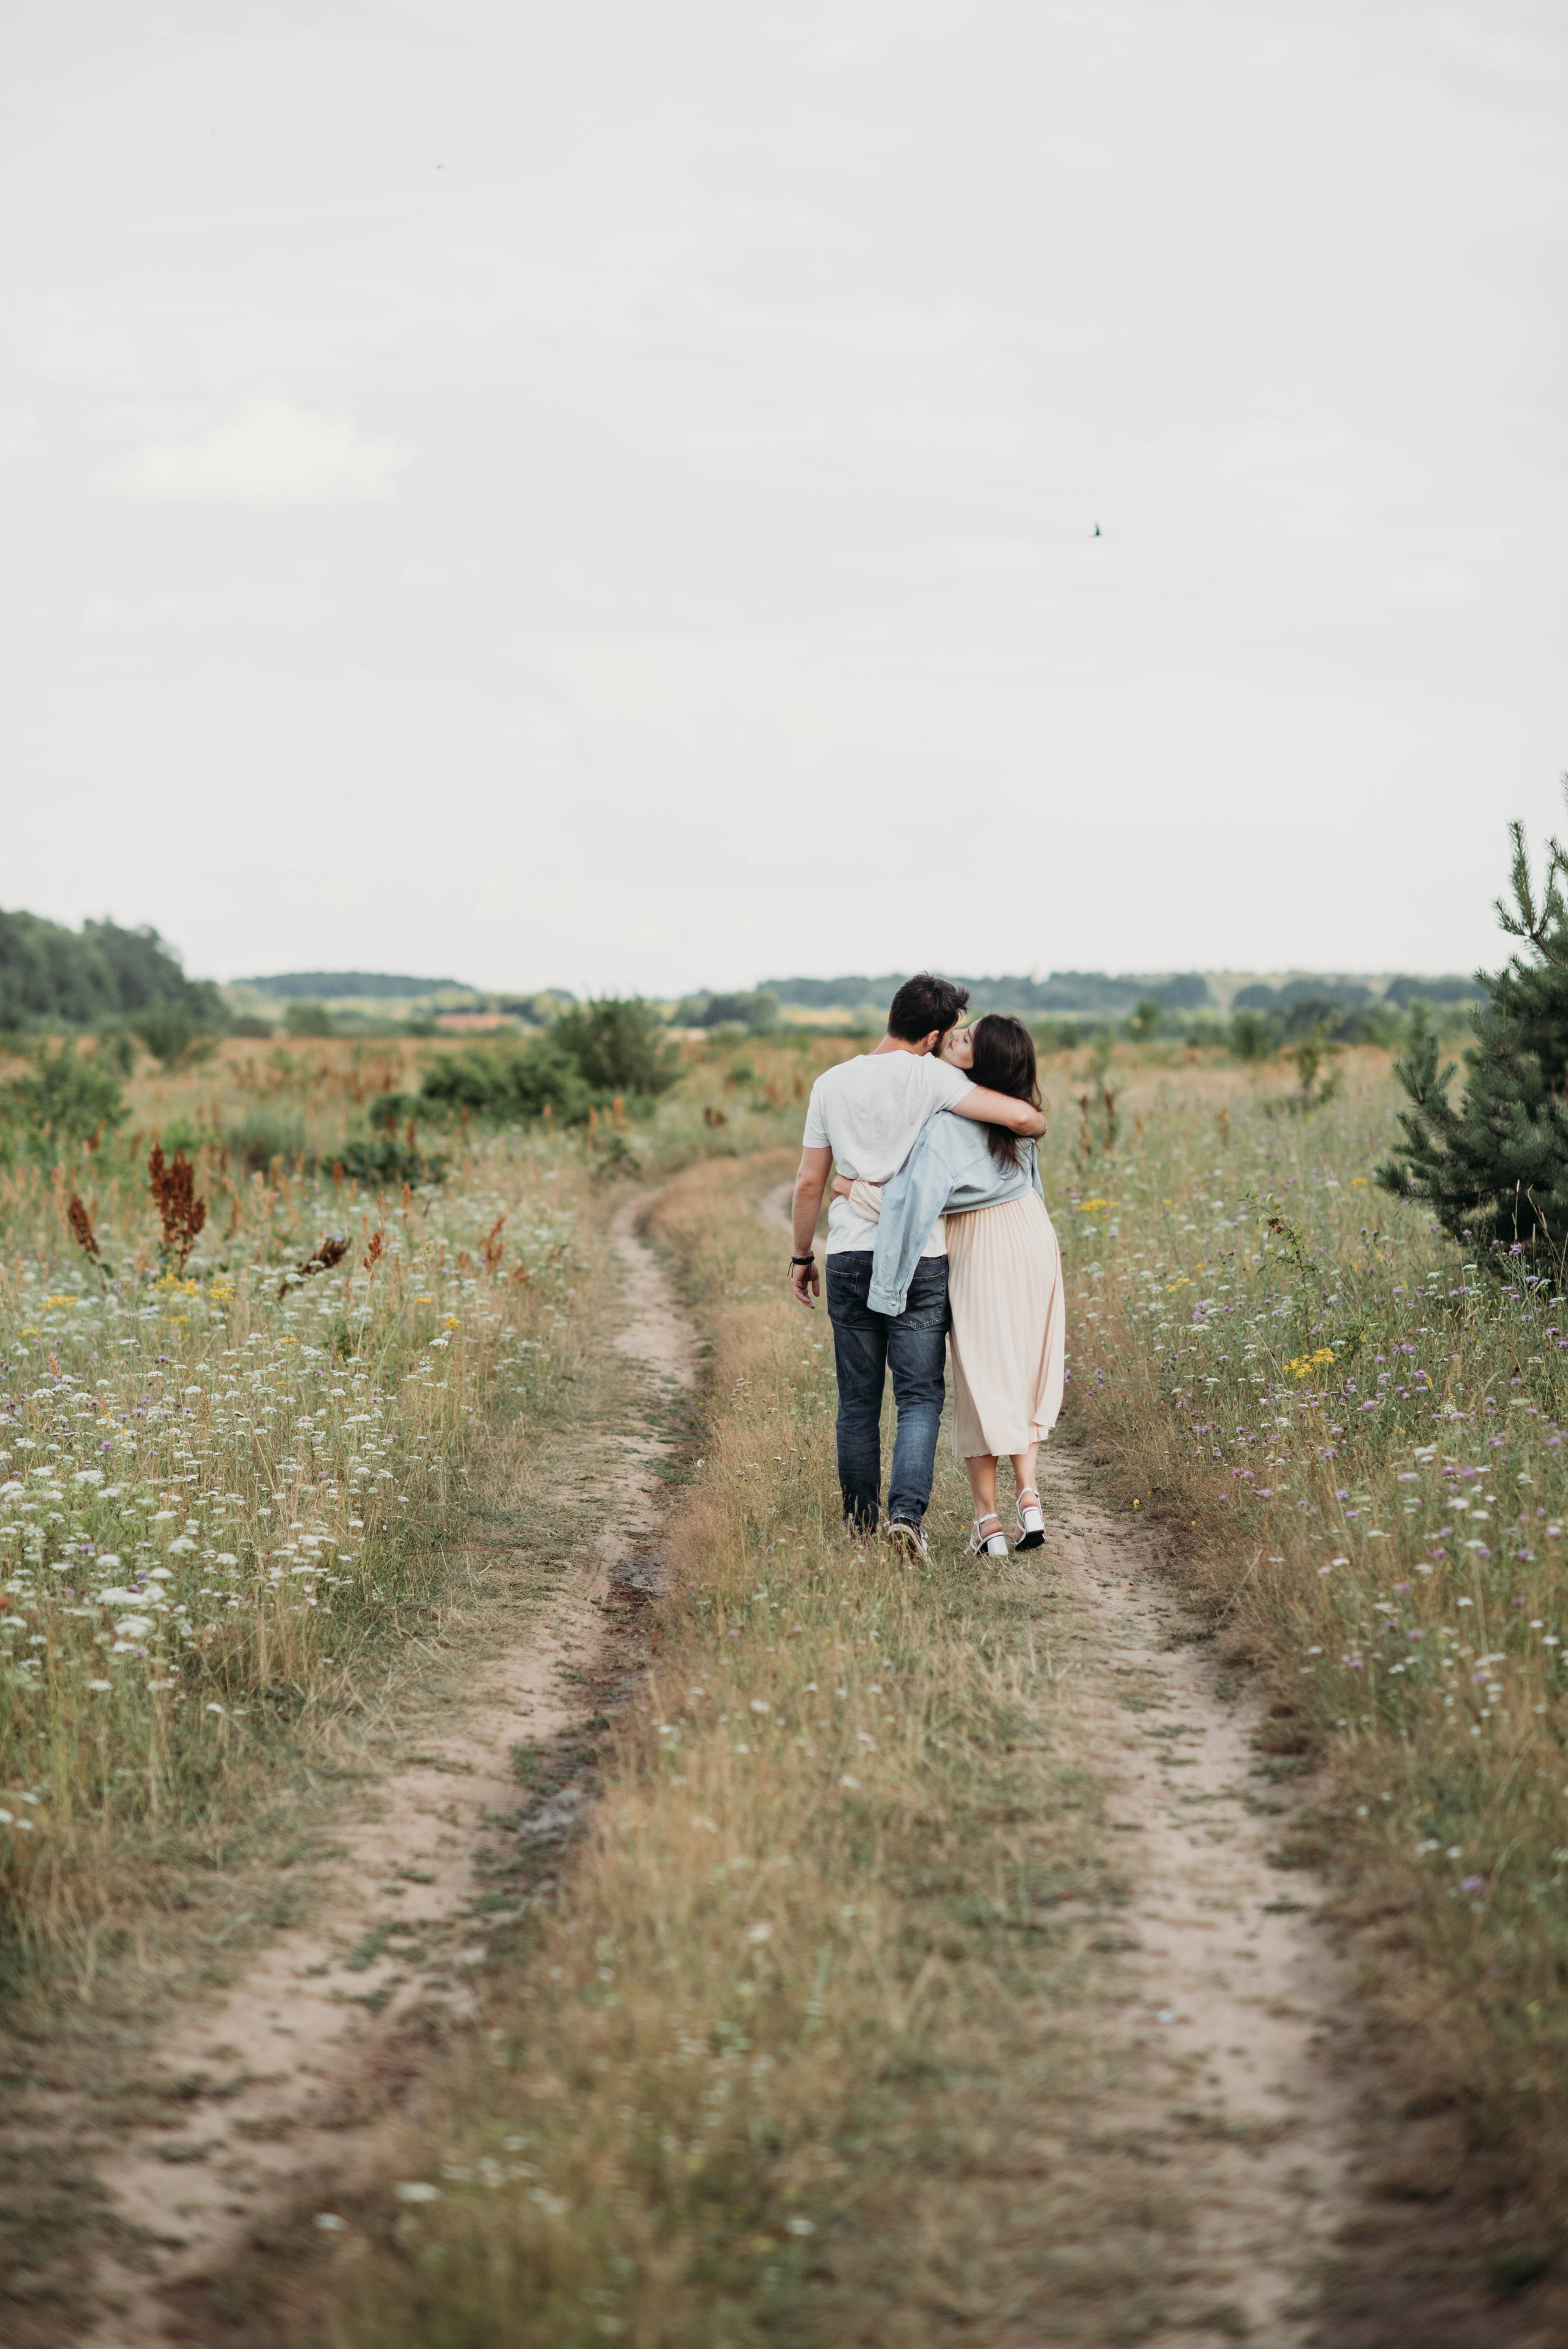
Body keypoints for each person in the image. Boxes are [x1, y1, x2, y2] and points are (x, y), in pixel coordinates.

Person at [789, 975, 1047, 1559]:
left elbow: (808, 1182)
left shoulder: (830, 1083)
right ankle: (907, 1519)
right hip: (920, 1259)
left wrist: (803, 1255)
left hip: (848, 1253)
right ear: (932, 1036)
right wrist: (1036, 1123)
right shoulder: (934, 1078)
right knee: (919, 1398)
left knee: (857, 1402)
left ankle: (860, 1529)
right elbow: (1022, 1118)